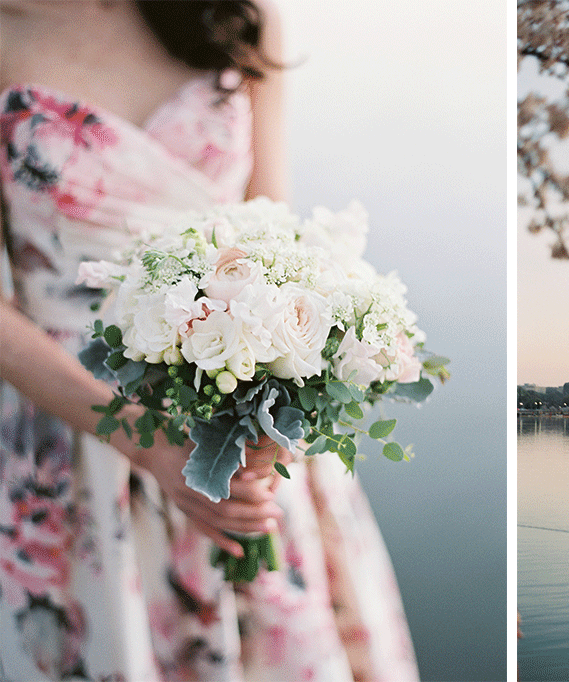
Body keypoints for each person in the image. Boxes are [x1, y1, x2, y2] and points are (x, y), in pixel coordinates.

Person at [0, 1, 418, 680]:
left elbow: (273, 230)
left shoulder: (239, 13)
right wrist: (144, 439)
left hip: (240, 400)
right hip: (78, 430)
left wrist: (285, 398)